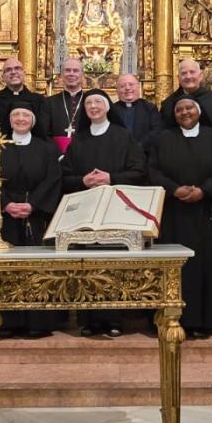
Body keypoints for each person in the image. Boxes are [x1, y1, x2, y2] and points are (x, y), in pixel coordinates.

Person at [148, 97, 212, 338]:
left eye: (189, 108)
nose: (184, 113)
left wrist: (205, 190)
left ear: (199, 112)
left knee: (207, 264)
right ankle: (173, 318)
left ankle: (207, 321)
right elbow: (152, 170)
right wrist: (173, 188)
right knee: (178, 268)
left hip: (207, 212)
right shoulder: (163, 139)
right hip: (174, 214)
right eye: (179, 110)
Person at [61, 89, 147, 337]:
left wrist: (111, 178)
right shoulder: (79, 139)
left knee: (113, 260)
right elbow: (64, 177)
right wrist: (83, 180)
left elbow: (139, 170)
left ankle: (114, 319)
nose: (93, 106)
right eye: (89, 103)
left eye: (98, 101)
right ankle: (89, 319)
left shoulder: (123, 137)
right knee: (86, 262)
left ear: (108, 106)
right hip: (85, 210)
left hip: (115, 208)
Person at [0, 104, 66, 337]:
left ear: (33, 121)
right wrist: (5, 204)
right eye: (16, 115)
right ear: (9, 120)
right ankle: (8, 322)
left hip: (36, 216)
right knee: (7, 269)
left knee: (37, 270)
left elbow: (53, 179)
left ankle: (39, 322)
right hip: (5, 217)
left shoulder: (46, 149)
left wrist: (33, 204)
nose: (21, 119)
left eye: (26, 115)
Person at [160, 58, 212, 135]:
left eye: (192, 72)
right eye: (184, 73)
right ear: (179, 78)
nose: (188, 76)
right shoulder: (168, 104)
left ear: (200, 76)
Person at [0, 57, 47, 139]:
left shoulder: (38, 100)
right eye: (8, 70)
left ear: (24, 73)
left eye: (17, 68)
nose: (13, 72)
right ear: (3, 77)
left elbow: (42, 130)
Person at [110, 73, 163, 150]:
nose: (127, 88)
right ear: (117, 90)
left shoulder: (149, 108)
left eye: (131, 84)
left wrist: (138, 147)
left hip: (145, 154)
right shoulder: (111, 110)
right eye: (122, 86)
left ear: (138, 87)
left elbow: (157, 131)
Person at [45, 57, 88, 147]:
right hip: (56, 156)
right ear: (61, 75)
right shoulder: (49, 102)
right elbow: (45, 134)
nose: (71, 74)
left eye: (75, 71)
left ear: (82, 75)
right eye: (67, 70)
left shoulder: (90, 102)